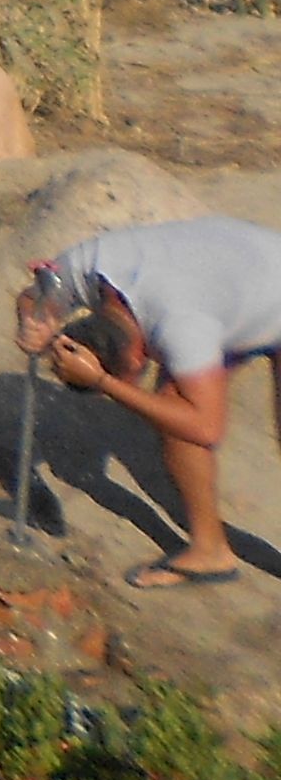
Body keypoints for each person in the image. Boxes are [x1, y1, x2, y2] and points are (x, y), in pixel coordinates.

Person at [16, 218, 281, 588]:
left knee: (182, 415)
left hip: (263, 283)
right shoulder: (82, 268)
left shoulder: (180, 326)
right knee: (172, 406)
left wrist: (102, 382)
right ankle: (210, 553)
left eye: (126, 379)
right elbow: (32, 298)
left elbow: (205, 426)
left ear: (139, 360)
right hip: (240, 275)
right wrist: (34, 325)